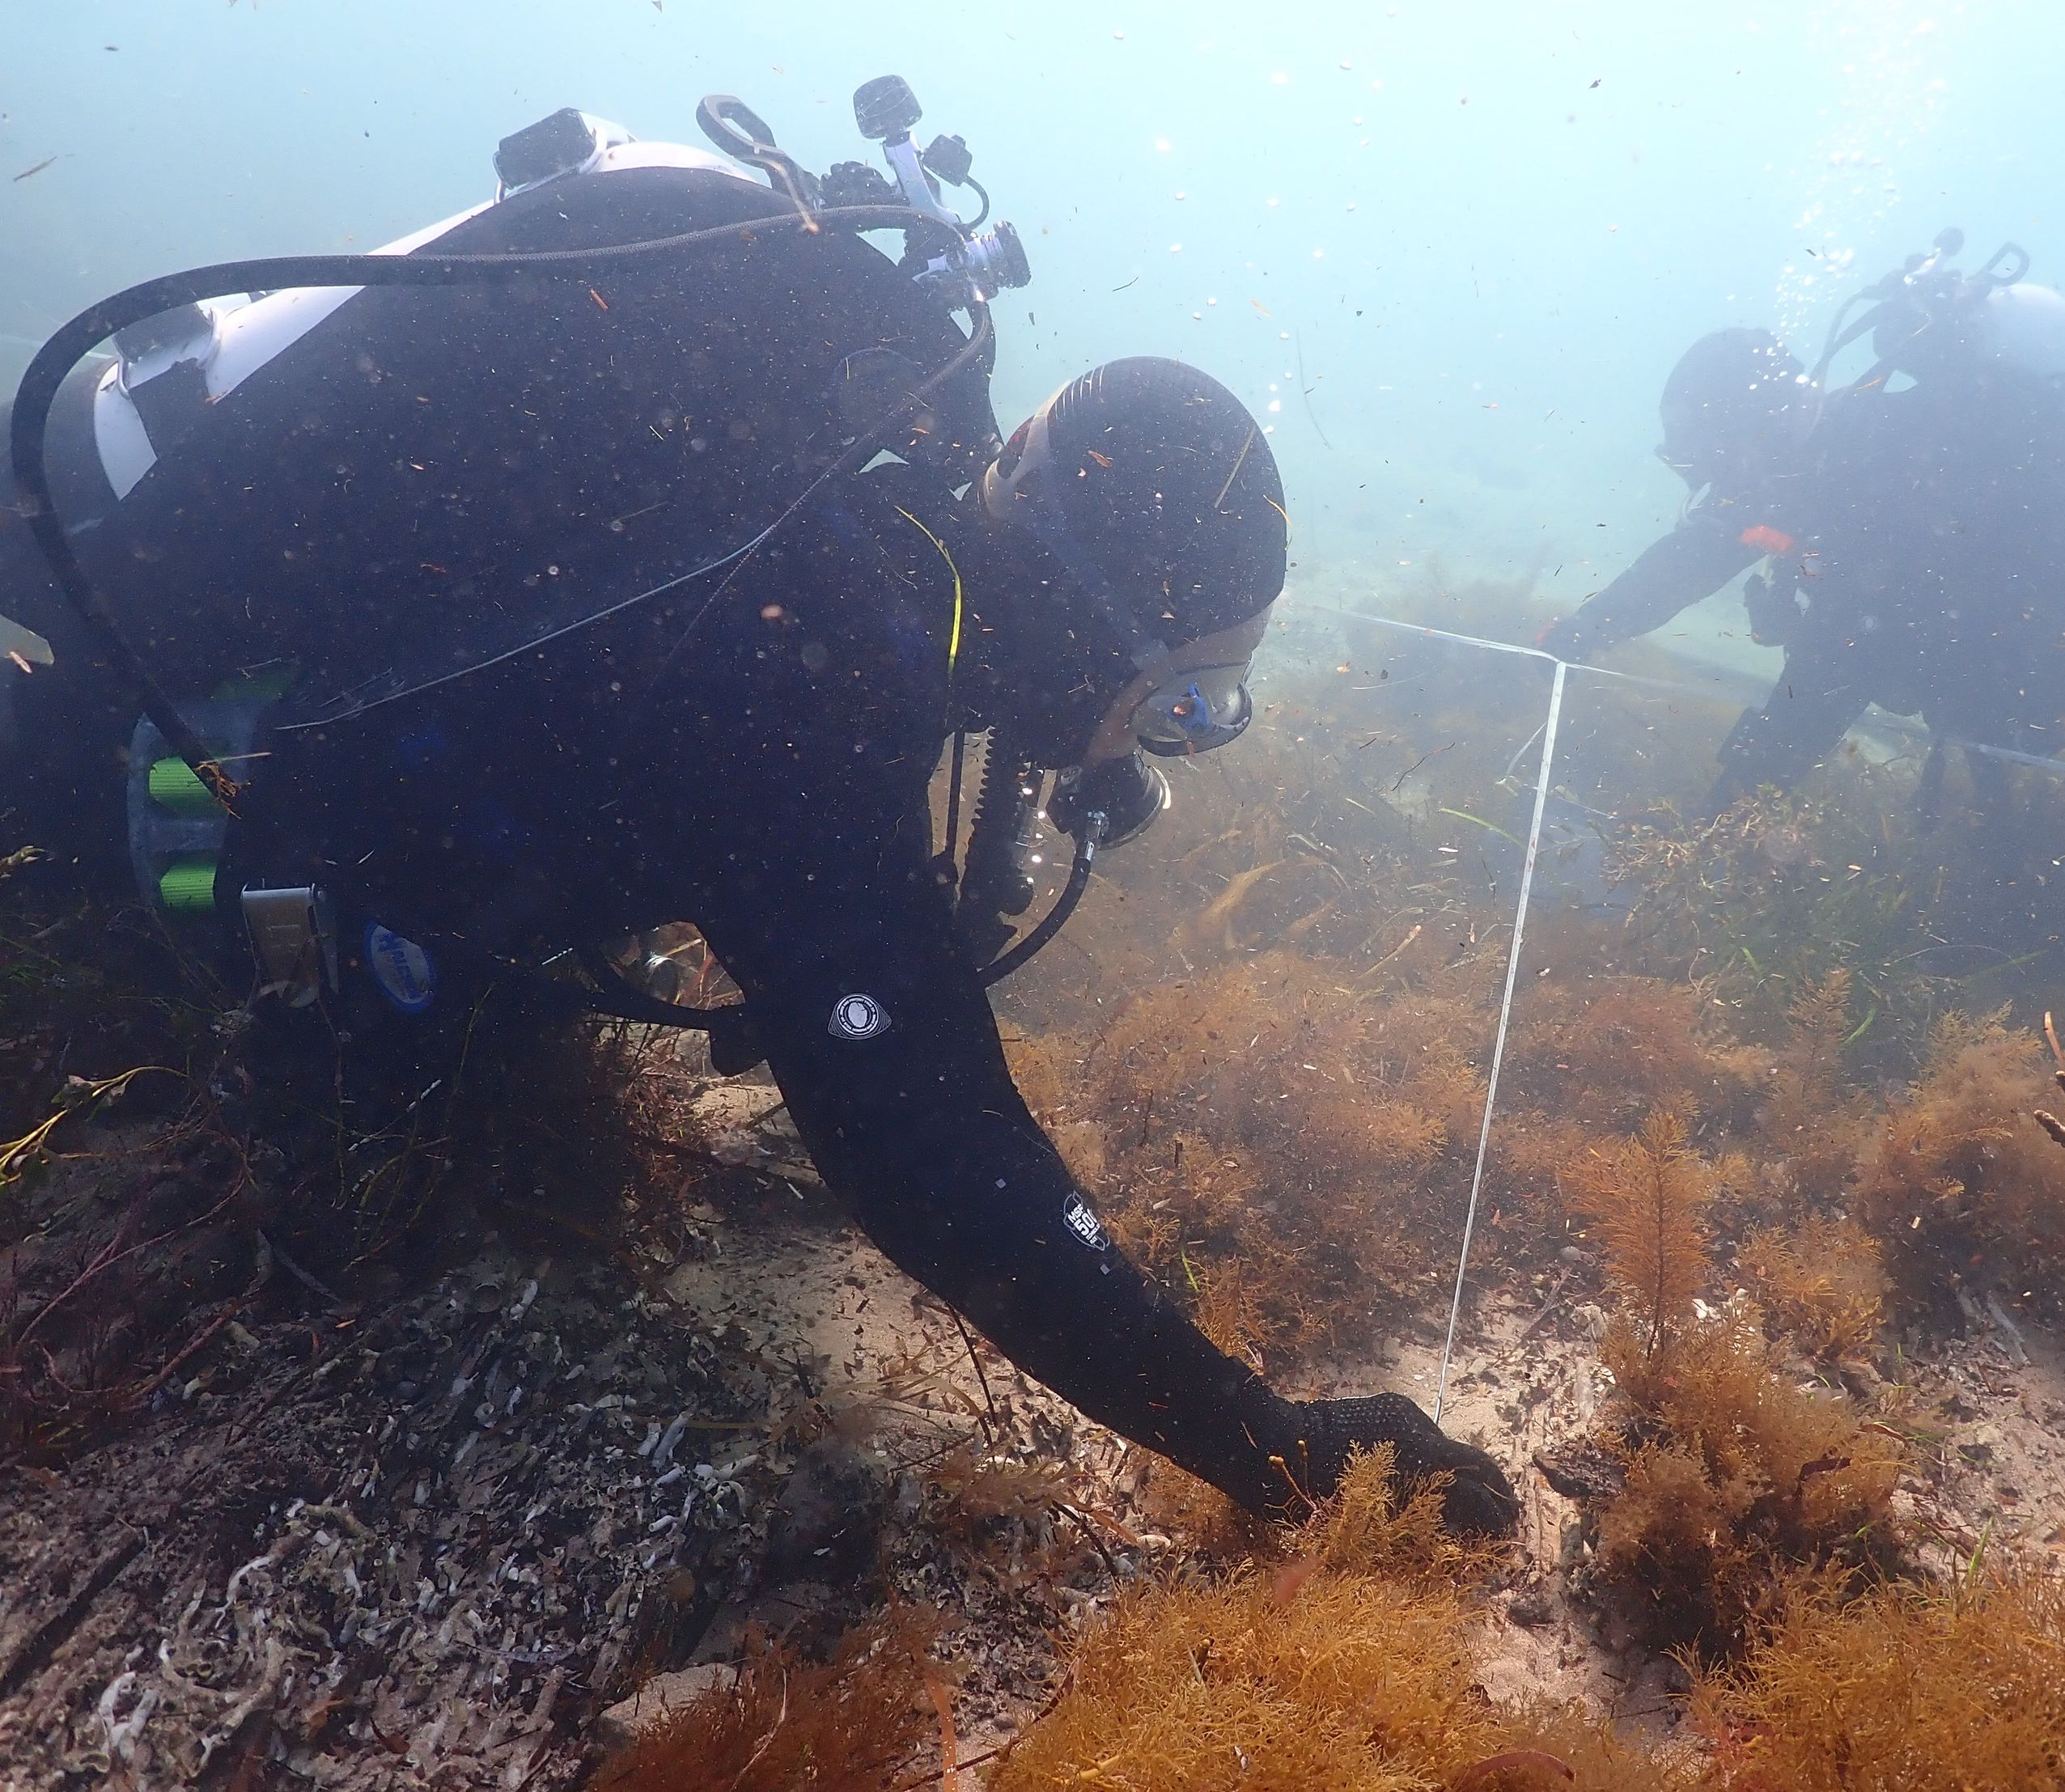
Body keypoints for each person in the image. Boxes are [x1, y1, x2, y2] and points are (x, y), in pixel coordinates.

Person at [0, 99, 1517, 1536]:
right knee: (60, 803)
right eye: (1182, 701)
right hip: (162, 652)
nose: (1163, 749)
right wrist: (1264, 1442)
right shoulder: (818, 671)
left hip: (163, 447)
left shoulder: (891, 496)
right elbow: (929, 1151)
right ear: (1086, 625)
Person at [1544, 241, 2065, 809]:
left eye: (1707, 458)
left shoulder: (1877, 468)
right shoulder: (1808, 469)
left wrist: (1732, 804)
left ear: (1754, 430)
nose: (1709, 484)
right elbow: (1689, 559)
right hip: (2059, 671)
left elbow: (1832, 670)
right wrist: (1575, 637)